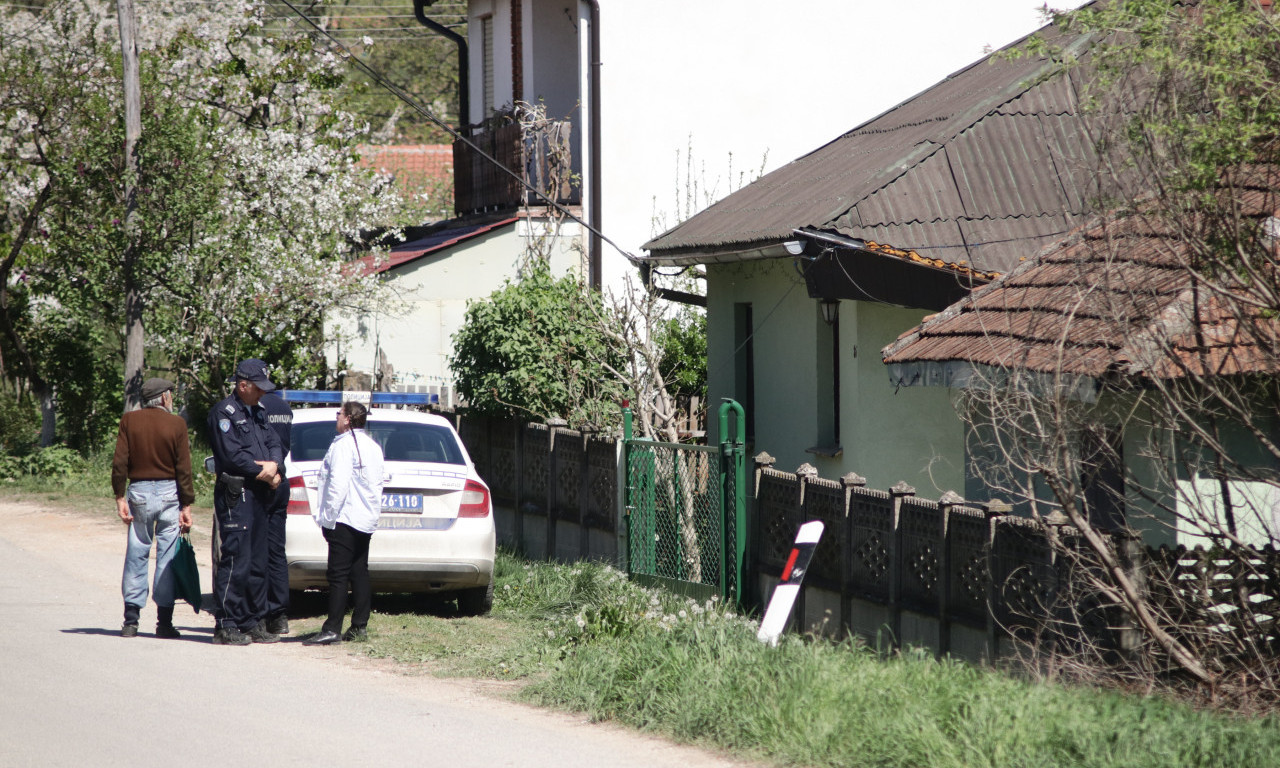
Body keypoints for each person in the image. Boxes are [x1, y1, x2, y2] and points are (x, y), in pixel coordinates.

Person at [207, 359, 284, 646]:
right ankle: (226, 623)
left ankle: (252, 620)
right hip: (236, 493)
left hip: (260, 493)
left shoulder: (259, 412)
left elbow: (275, 443)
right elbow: (231, 457)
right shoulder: (223, 413)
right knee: (236, 559)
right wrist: (263, 472)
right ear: (243, 385)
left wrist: (274, 466)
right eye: (259, 388)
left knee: (257, 560)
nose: (264, 393)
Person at [111, 377, 195, 638]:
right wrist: (187, 504)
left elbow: (120, 462)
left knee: (137, 552)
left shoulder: (129, 421)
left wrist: (119, 496)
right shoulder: (177, 423)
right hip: (170, 493)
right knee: (166, 556)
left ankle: (131, 621)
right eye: (170, 394)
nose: (171, 397)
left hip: (139, 493)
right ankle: (165, 623)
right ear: (163, 397)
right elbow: (184, 467)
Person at [304, 401, 384, 646]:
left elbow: (337, 485)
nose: (336, 417)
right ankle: (359, 626)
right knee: (359, 571)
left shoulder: (343, 446)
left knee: (337, 575)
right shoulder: (373, 446)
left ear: (348, 418)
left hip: (345, 517)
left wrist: (327, 518)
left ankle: (332, 629)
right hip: (365, 519)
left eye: (339, 413)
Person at [258, 391, 294, 635]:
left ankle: (258, 613)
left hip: (262, 480)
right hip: (281, 478)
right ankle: (279, 616)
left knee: (255, 551)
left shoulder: (255, 406)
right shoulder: (285, 407)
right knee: (276, 551)